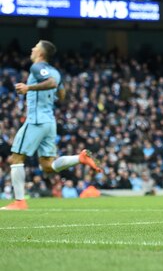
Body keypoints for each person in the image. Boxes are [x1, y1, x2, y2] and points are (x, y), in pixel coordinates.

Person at [1, 40, 102, 210]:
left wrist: (28, 88)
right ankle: (80, 158)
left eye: (35, 47)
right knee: (48, 167)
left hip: (36, 120)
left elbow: (52, 84)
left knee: (16, 158)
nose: (32, 49)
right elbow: (62, 95)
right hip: (49, 121)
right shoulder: (56, 71)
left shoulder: (36, 67)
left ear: (41, 53)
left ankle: (19, 202)